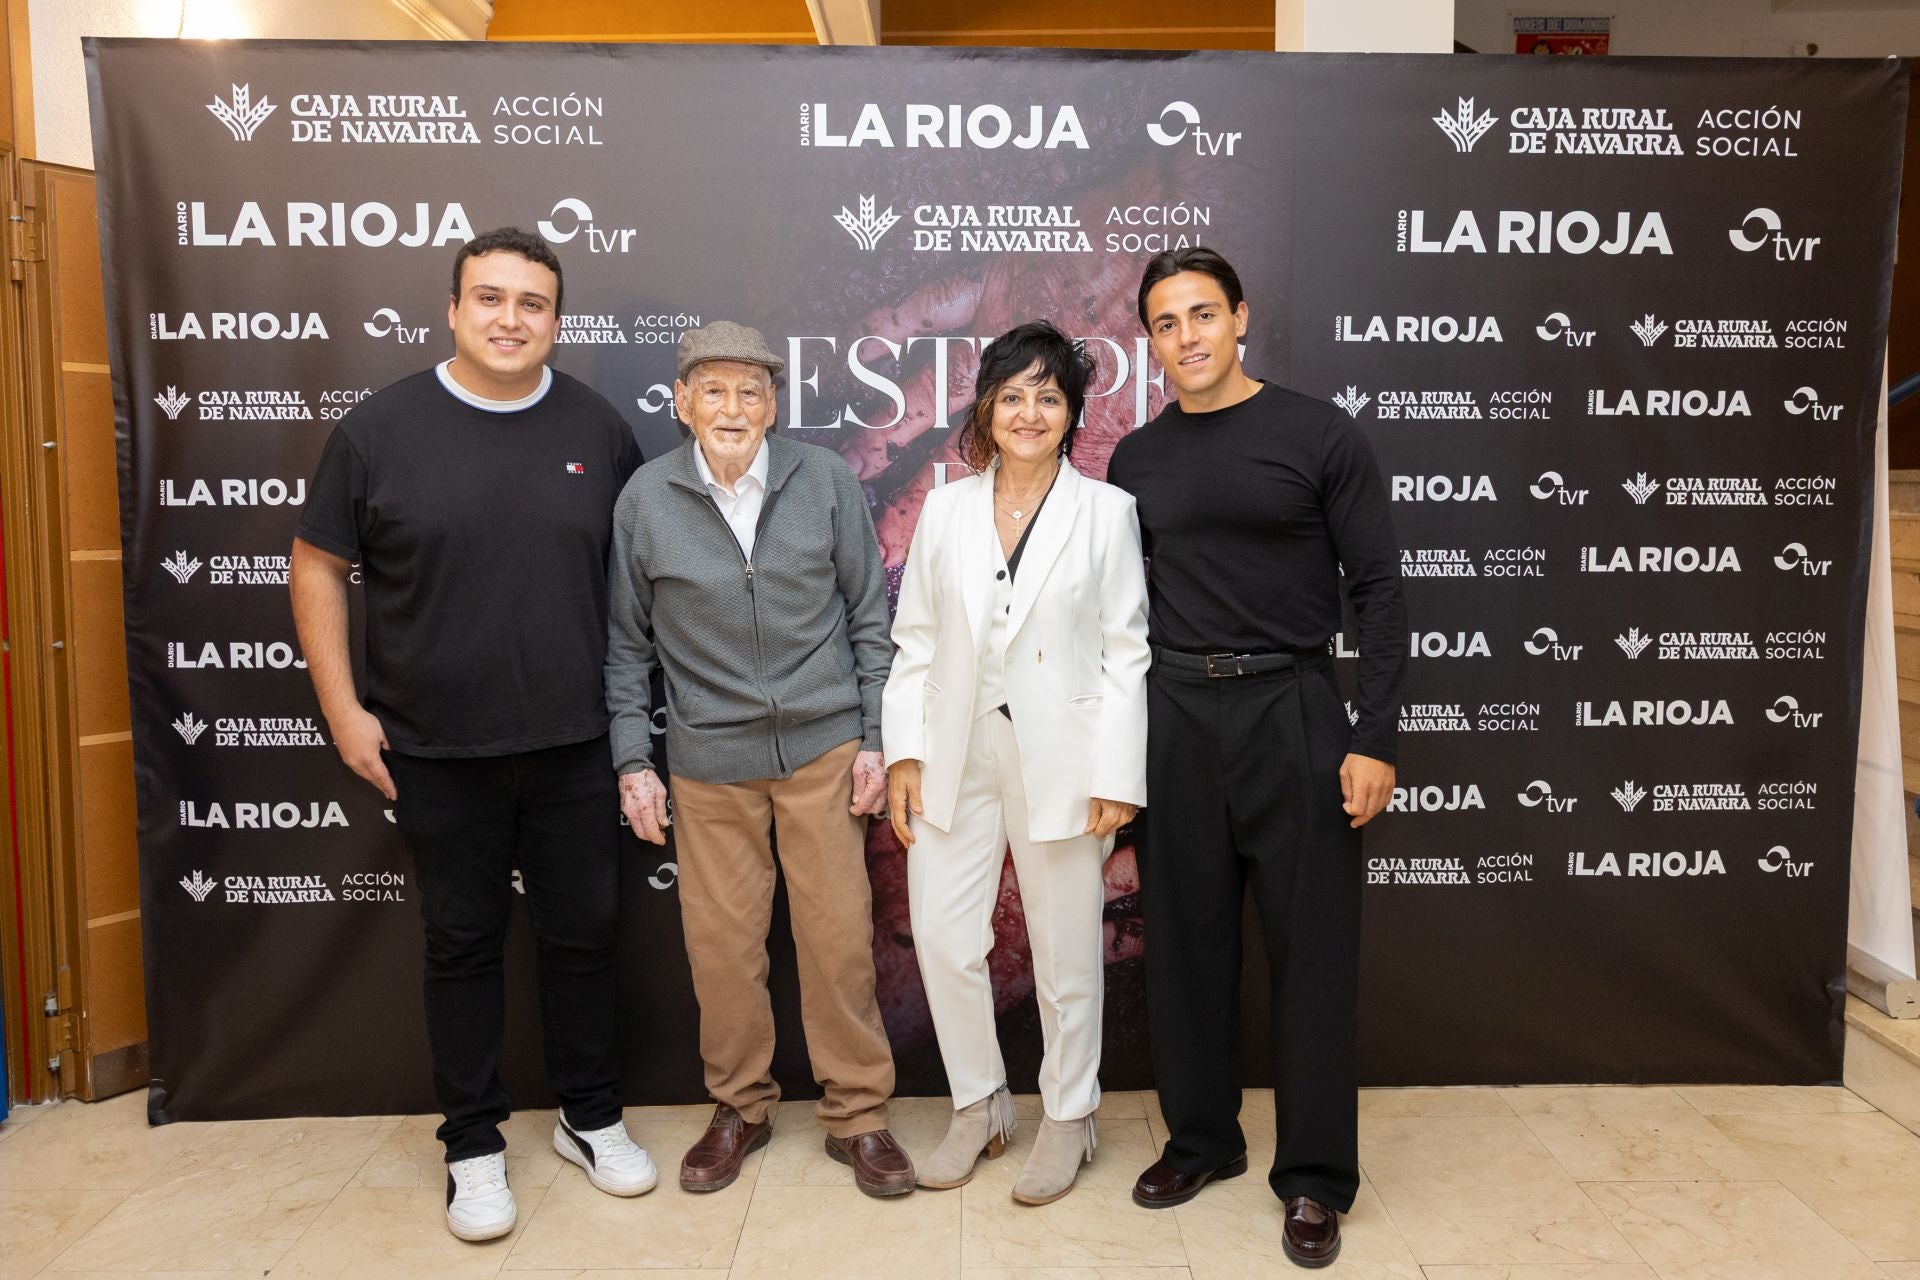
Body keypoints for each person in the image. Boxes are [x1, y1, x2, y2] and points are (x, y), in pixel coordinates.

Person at [290, 227, 653, 1242]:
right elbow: (315, 562)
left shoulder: (597, 424)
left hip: (577, 741)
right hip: (435, 748)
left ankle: (590, 1116)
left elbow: (637, 582)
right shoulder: (380, 428)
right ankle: (473, 1144)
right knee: (461, 946)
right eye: (488, 298)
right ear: (452, 309)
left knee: (585, 936)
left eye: (531, 302)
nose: (509, 318)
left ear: (555, 319)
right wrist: (342, 707)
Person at [1105, 248, 1408, 1269]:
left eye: (1201, 313)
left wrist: (1373, 735)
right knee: (1185, 946)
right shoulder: (1135, 459)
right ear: (1147, 343)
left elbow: (1381, 590)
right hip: (1176, 711)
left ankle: (1316, 1177)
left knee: (1313, 953)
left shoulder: (1318, 431)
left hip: (1294, 704)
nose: (1185, 335)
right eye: (1163, 322)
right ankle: (1201, 1141)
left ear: (1241, 317)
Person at [605, 321, 912, 1197]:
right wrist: (635, 760)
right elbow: (626, 649)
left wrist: (878, 739)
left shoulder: (823, 481)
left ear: (774, 403)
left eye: (750, 391)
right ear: (682, 403)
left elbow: (868, 620)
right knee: (721, 948)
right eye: (713, 390)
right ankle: (740, 1106)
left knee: (838, 941)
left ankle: (858, 1117)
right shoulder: (645, 500)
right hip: (708, 762)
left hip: (823, 748)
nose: (732, 407)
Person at [882, 321, 1150, 1205]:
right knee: (949, 938)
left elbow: (1126, 652)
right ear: (986, 408)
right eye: (1012, 395)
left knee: (1066, 950)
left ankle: (1070, 1115)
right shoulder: (947, 507)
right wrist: (907, 754)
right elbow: (914, 640)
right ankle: (980, 1101)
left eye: (1048, 396)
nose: (1029, 412)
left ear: (1071, 412)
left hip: (1064, 758)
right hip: (957, 751)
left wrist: (1117, 772)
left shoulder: (1105, 512)